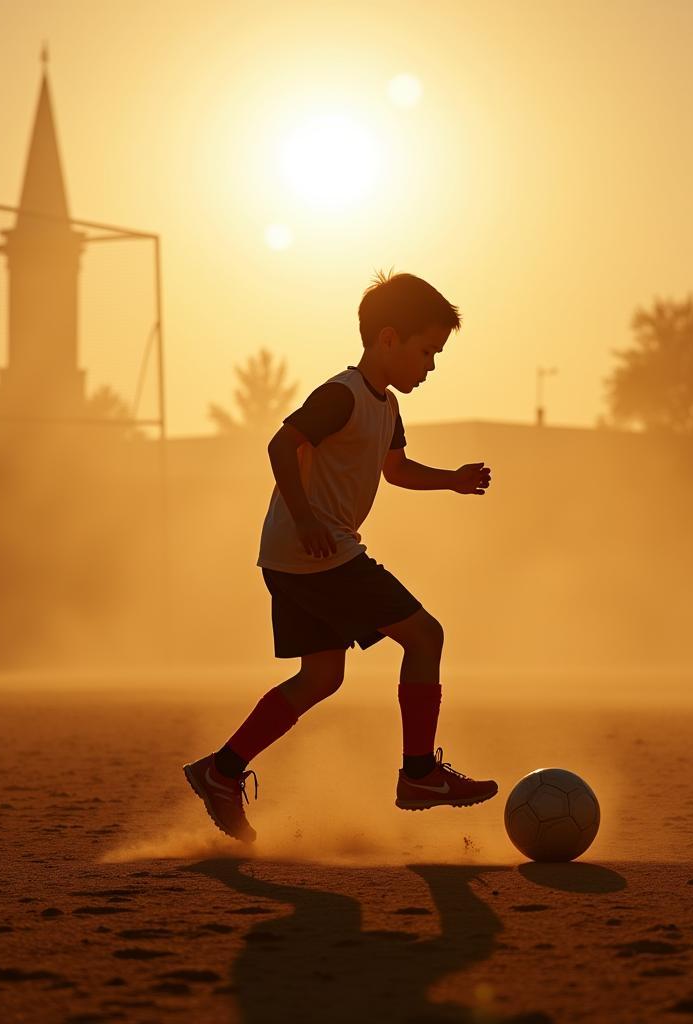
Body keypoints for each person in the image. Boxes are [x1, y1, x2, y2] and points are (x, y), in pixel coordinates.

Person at [184, 270, 498, 843]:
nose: (430, 365)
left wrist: (450, 479)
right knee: (425, 637)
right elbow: (281, 444)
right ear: (387, 340)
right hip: (318, 551)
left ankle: (220, 771)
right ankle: (420, 774)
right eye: (427, 351)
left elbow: (396, 470)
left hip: (290, 556)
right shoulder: (342, 394)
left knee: (323, 675)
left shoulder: (387, 407)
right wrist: (306, 518)